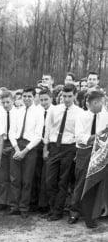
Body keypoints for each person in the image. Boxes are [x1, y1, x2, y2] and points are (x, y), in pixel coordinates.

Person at [43, 84, 83, 221]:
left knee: (63, 181)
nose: (66, 99)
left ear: (75, 96)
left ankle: (57, 212)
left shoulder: (80, 113)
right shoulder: (54, 110)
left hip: (69, 148)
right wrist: (45, 148)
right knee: (49, 181)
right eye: (64, 96)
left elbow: (79, 134)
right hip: (54, 147)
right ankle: (53, 208)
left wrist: (76, 151)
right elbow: (48, 129)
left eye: (69, 96)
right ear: (61, 96)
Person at [68, 91, 108, 227]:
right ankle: (74, 211)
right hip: (84, 152)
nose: (104, 105)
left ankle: (92, 214)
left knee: (96, 182)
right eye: (102, 102)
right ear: (95, 102)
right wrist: (97, 136)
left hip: (101, 153)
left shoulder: (106, 116)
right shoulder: (82, 116)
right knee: (80, 181)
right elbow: (79, 137)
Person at [8, 87, 43, 218]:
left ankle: (24, 208)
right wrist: (17, 149)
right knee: (15, 179)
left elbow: (38, 136)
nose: (27, 99)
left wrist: (25, 151)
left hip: (30, 148)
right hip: (16, 145)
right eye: (25, 96)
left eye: (29, 96)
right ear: (22, 97)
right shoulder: (17, 112)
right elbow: (11, 132)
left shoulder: (38, 113)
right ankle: (14, 206)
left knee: (27, 180)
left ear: (34, 97)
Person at [0, 91, 16, 210]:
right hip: (2, 143)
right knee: (2, 176)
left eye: (8, 102)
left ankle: (11, 203)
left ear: (12, 101)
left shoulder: (18, 113)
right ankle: (2, 202)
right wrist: (1, 147)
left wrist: (13, 146)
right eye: (3, 102)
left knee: (13, 175)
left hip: (14, 144)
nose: (5, 105)